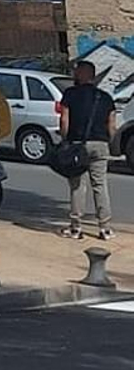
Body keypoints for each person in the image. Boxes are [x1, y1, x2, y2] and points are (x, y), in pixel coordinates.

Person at [58, 60, 117, 241]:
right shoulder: (106, 97)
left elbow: (64, 121)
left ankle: (76, 227)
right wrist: (110, 143)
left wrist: (65, 140)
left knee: (77, 186)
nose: (74, 75)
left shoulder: (70, 94)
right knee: (100, 185)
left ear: (83, 74)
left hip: (78, 145)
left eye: (76, 72)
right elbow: (112, 125)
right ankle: (105, 228)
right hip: (100, 144)